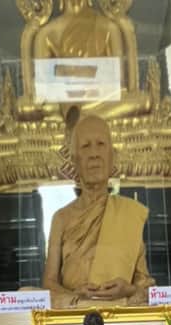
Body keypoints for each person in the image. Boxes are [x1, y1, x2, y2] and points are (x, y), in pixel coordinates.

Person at [42, 113, 154, 308]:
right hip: (75, 308)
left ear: (112, 156)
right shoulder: (61, 218)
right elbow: (49, 285)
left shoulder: (129, 214)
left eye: (101, 144)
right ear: (74, 160)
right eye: (85, 146)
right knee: (24, 294)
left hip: (120, 307)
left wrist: (127, 290)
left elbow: (145, 287)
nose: (94, 153)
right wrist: (75, 295)